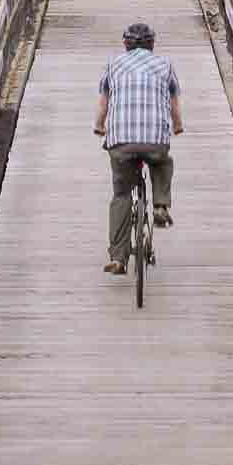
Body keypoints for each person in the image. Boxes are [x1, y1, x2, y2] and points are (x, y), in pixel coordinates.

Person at [94, 21, 182, 276]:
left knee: (121, 194)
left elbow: (103, 104)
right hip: (155, 139)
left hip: (121, 141)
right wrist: (177, 126)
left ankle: (119, 259)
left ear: (126, 45)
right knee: (162, 161)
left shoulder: (113, 65)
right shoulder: (164, 66)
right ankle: (160, 205)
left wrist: (100, 127)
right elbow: (175, 104)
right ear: (152, 44)